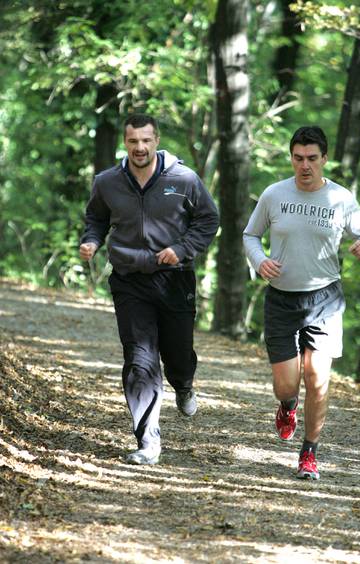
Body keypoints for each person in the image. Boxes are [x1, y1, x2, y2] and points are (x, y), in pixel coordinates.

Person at [79, 113, 219, 465]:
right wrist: (91, 241)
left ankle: (183, 383)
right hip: (129, 279)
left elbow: (208, 219)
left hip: (175, 278)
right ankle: (147, 440)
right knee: (139, 359)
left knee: (177, 355)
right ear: (124, 144)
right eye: (133, 141)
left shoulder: (184, 179)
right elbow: (96, 217)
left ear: (156, 140)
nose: (140, 147)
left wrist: (183, 249)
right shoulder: (107, 182)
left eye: (146, 140)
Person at [243, 126, 360, 480]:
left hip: (325, 299)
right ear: (291, 158)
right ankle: (288, 406)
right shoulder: (274, 195)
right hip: (282, 299)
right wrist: (259, 261)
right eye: (298, 158)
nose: (305, 166)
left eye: (312, 159)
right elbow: (250, 234)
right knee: (286, 385)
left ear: (324, 159)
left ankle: (309, 453)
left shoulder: (341, 199)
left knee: (318, 378)